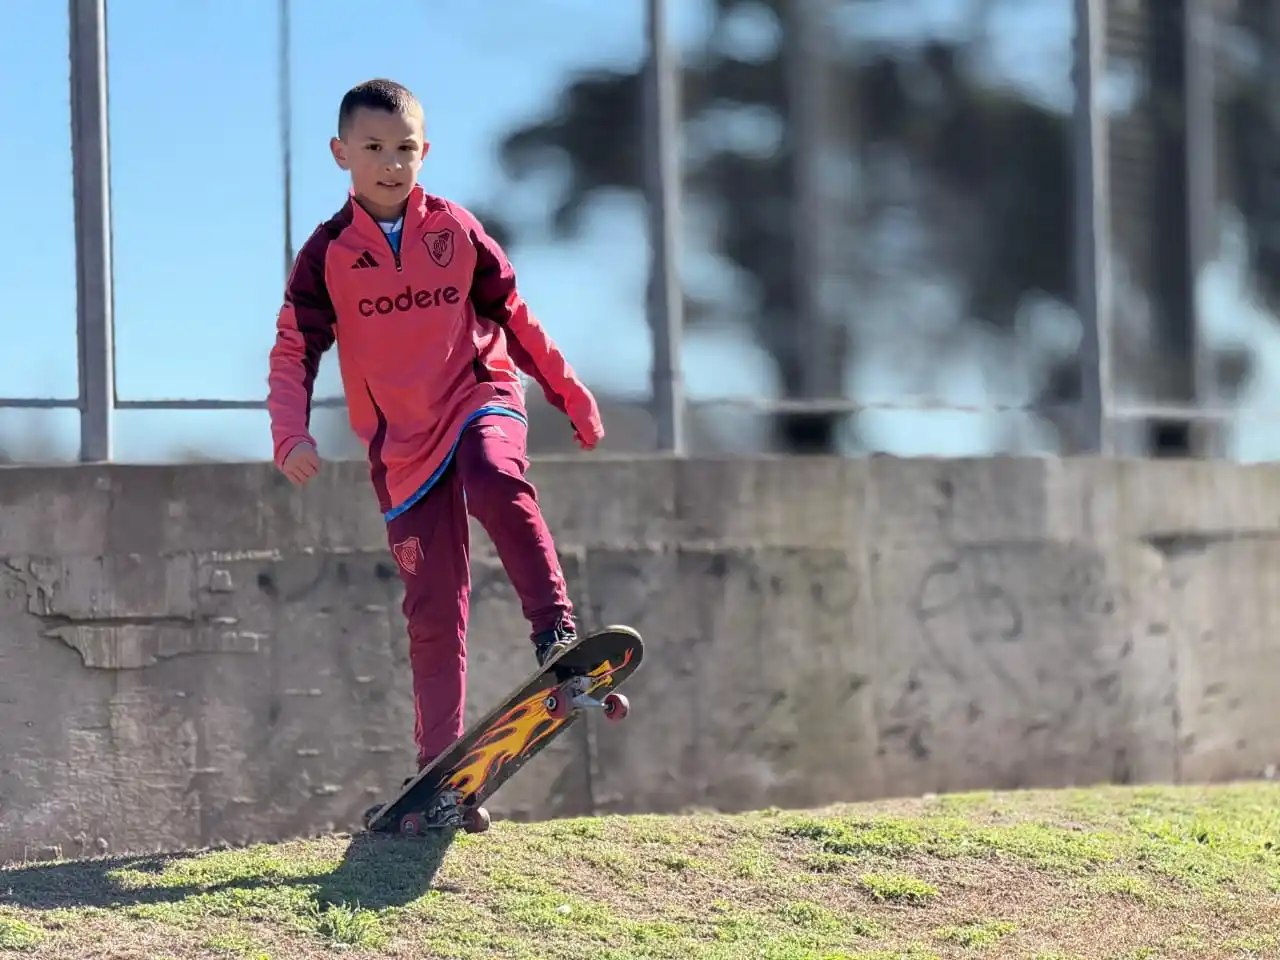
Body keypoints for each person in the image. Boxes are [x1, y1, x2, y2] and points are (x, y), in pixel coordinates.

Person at [266, 78, 604, 826]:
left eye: (406, 148)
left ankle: (556, 630)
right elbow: (294, 351)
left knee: (493, 477)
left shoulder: (454, 228)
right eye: (375, 149)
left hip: (477, 395)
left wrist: (567, 392)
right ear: (341, 154)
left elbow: (514, 316)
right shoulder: (326, 255)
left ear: (426, 152)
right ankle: (441, 779)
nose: (391, 163)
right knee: (432, 606)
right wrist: (289, 430)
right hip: (402, 449)